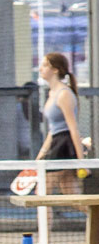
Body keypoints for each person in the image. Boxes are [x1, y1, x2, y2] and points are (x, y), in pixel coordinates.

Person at [34, 52, 86, 217]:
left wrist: (81, 162)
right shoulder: (51, 94)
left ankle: (45, 241)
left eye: (45, 65)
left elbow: (73, 128)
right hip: (56, 143)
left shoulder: (64, 94)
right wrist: (41, 153)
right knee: (73, 196)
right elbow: (53, 129)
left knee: (42, 193)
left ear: (55, 70)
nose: (40, 69)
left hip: (64, 146)